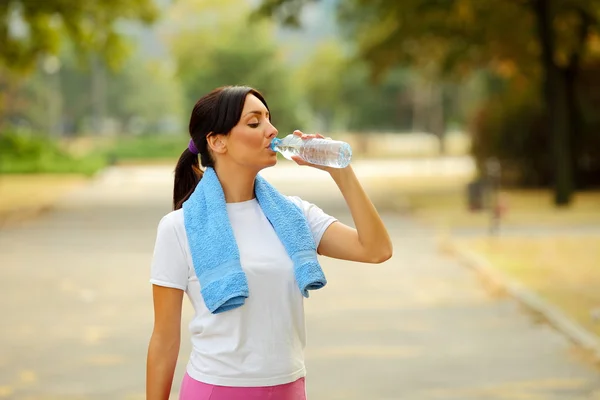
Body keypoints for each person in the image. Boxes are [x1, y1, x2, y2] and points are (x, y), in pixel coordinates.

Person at [146, 86, 393, 400]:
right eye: (254, 122)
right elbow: (165, 340)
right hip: (216, 390)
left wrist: (340, 172)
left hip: (289, 389)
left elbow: (376, 250)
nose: (272, 130)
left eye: (269, 119)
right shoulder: (179, 228)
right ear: (217, 141)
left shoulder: (293, 216)